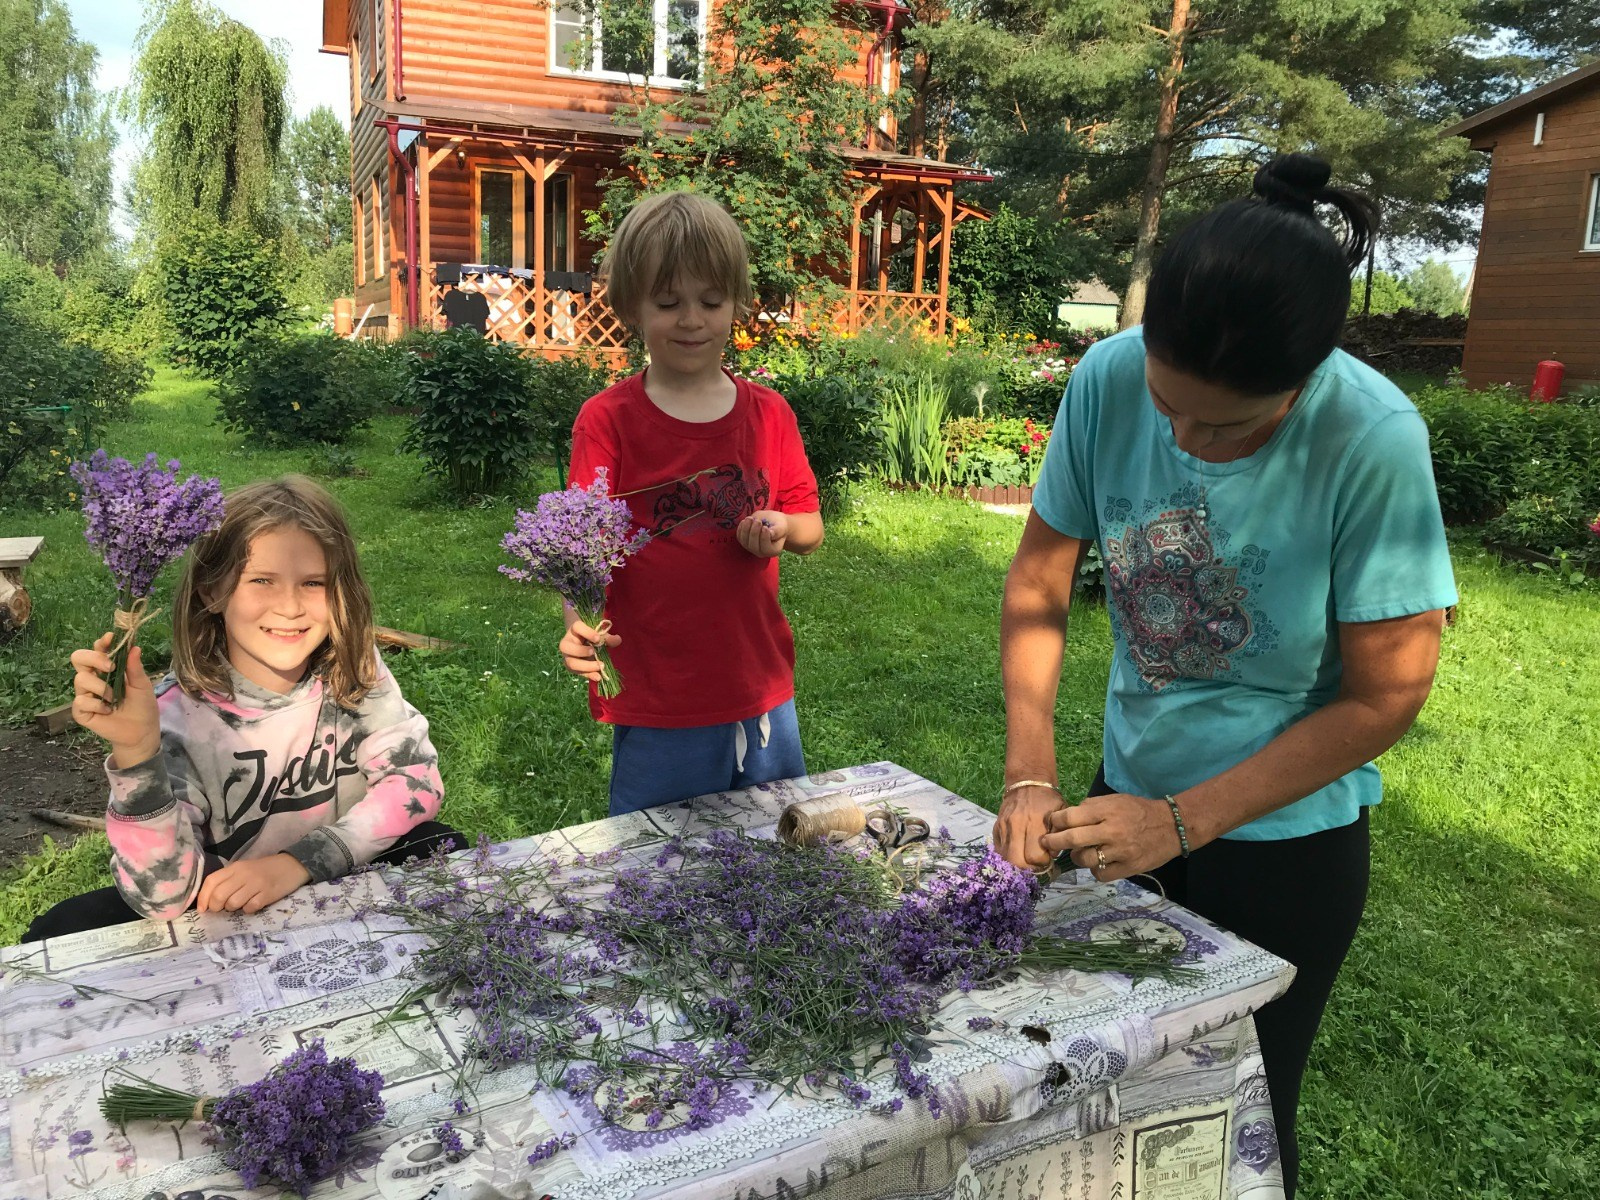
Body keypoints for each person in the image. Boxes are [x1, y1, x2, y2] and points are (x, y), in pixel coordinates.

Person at [994, 155, 1456, 1198]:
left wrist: (1186, 818)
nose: (1185, 441)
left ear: (1308, 374)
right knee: (1093, 1100)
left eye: (1229, 427)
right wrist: (1032, 772)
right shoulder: (1109, 377)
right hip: (1125, 806)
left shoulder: (1373, 439)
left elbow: (1387, 693)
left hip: (1286, 844)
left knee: (1236, 1117)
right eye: (1169, 407)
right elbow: (1038, 580)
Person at [25, 476, 462, 941]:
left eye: (313, 582)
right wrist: (136, 750)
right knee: (59, 930)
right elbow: (166, 896)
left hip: (333, 871)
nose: (291, 606)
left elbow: (414, 782)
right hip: (219, 897)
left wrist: (299, 864)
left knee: (441, 844)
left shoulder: (352, 670)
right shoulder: (175, 717)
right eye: (262, 581)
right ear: (212, 592)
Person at [557, 191, 824, 814]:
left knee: (782, 860)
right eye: (668, 302)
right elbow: (578, 549)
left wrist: (782, 525)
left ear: (735, 302)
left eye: (710, 301)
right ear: (631, 306)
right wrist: (576, 621)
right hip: (658, 699)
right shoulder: (608, 421)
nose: (691, 320)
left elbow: (811, 526)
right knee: (655, 869)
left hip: (761, 691)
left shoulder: (770, 414)